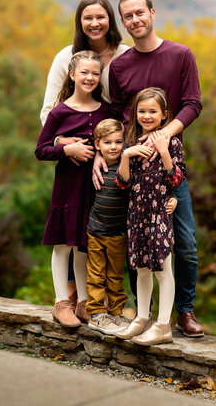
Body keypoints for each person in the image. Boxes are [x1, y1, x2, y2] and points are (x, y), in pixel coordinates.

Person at [94, 0, 204, 338]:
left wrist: (164, 139)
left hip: (170, 171)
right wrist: (103, 150)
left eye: (140, 12)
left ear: (152, 13)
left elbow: (193, 104)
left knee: (183, 243)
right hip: (133, 171)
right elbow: (114, 114)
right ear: (122, 23)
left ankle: (183, 312)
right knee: (136, 243)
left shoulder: (180, 55)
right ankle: (144, 315)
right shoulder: (119, 67)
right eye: (127, 16)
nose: (134, 20)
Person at [40, 0, 129, 309]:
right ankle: (66, 299)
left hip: (113, 163)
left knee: (92, 236)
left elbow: (118, 117)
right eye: (87, 18)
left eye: (101, 17)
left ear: (110, 20)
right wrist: (67, 146)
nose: (95, 23)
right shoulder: (67, 57)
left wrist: (108, 153)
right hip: (72, 165)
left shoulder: (125, 56)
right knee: (67, 234)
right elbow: (48, 120)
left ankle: (101, 299)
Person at [35, 50, 110, 328]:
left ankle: (83, 303)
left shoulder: (105, 110)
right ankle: (61, 302)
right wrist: (68, 148)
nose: (89, 77)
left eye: (95, 73)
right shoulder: (60, 112)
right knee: (63, 245)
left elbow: (112, 140)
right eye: (84, 72)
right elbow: (41, 150)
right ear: (72, 75)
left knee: (83, 245)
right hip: (67, 188)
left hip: (93, 189)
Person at [114, 88, 185, 345]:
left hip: (158, 214)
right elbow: (123, 183)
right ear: (135, 114)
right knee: (141, 268)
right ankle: (141, 318)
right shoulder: (132, 143)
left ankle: (163, 324)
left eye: (153, 111)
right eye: (142, 111)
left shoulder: (173, 143)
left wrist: (164, 150)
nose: (147, 116)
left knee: (162, 268)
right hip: (137, 214)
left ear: (164, 115)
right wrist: (126, 154)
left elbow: (177, 178)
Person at [85, 119, 129, 335]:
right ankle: (95, 314)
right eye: (108, 142)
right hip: (95, 231)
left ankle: (116, 313)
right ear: (98, 145)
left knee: (115, 276)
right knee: (95, 274)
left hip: (118, 233)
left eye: (119, 142)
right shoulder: (96, 166)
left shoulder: (127, 165)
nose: (113, 147)